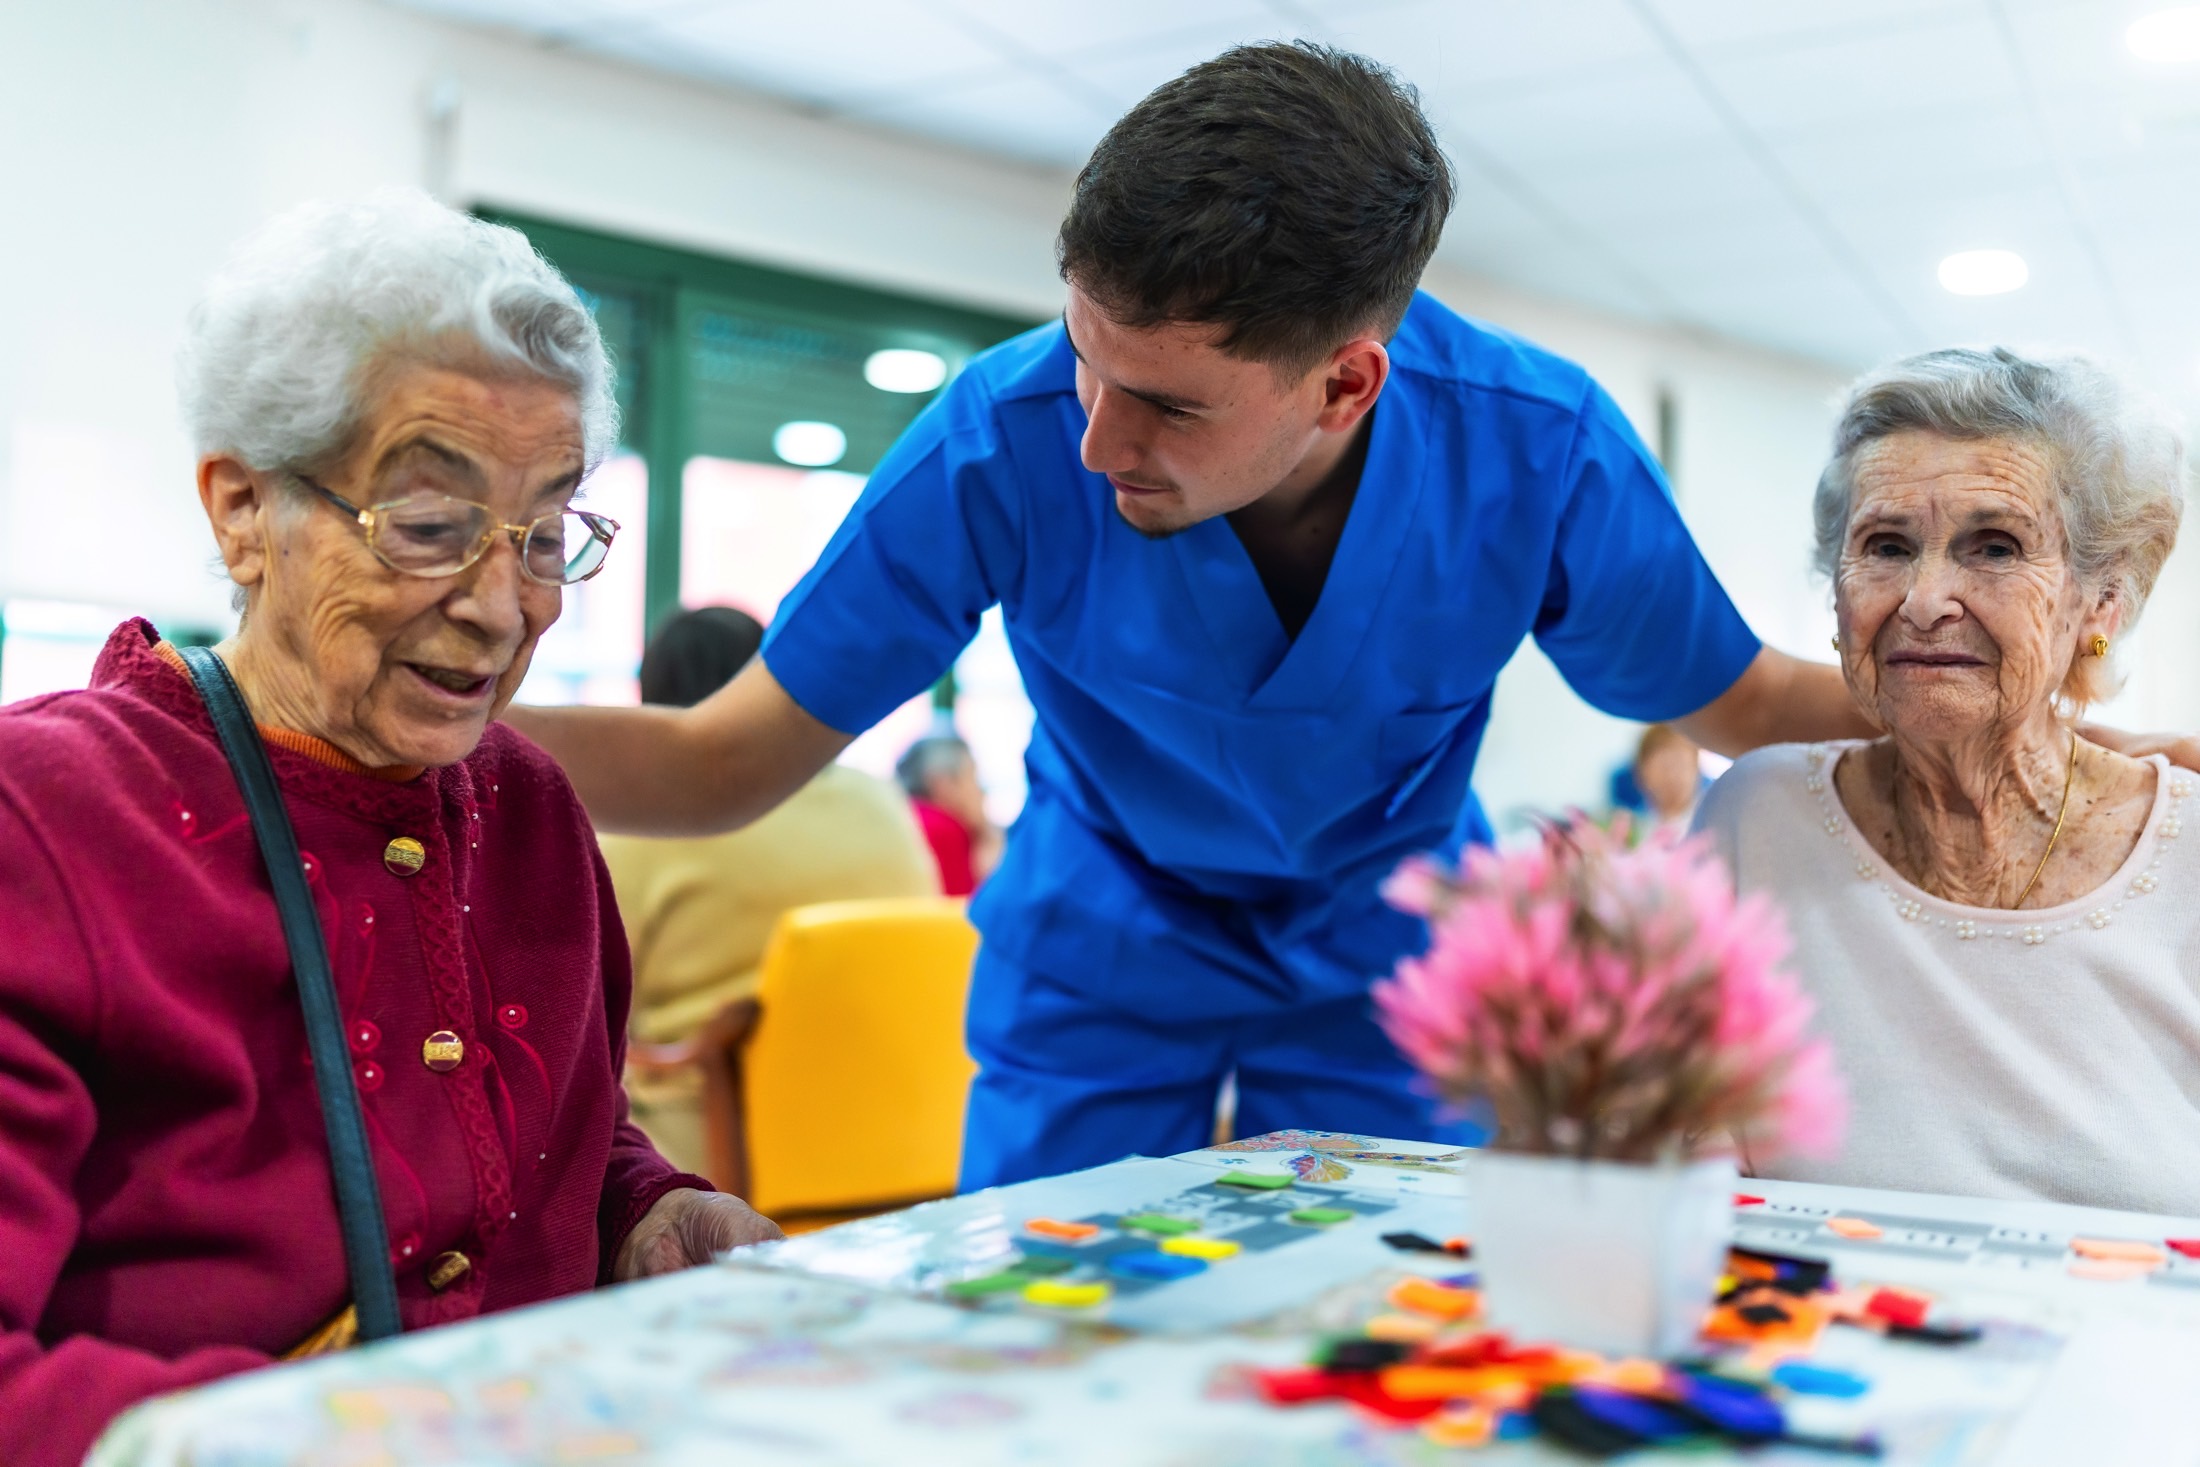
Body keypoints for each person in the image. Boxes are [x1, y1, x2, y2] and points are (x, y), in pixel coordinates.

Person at [504, 44, 2190, 1192]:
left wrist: (2079, 743)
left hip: (1388, 937)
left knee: (1392, 1323)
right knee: (1039, 1324)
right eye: (1082, 354)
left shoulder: (1533, 450)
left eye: (1164, 403)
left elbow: (1737, 698)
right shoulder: (1000, 438)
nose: (1095, 437)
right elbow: (725, 762)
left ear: (1346, 379)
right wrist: (365, 720)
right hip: (1108, 929)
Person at [0, 192, 777, 1467]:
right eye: (429, 528)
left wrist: (644, 1211)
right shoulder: (46, 820)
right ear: (242, 509)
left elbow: (536, 1129)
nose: (503, 606)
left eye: (543, 535)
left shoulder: (527, 811)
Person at [1697, 347, 2200, 1216]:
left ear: (2102, 603)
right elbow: (1677, 1167)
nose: (1925, 598)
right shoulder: (1754, 820)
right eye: (1886, 546)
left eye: (1995, 546)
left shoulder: (2188, 854)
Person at [603, 606, 939, 1173]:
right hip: (909, 1135)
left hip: (720, 1157)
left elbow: (585, 1000)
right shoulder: (881, 803)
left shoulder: (648, 826)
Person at [895, 733, 1002, 895]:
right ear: (943, 783)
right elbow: (966, 913)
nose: (981, 791)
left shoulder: (900, 816)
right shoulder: (945, 829)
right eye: (973, 777)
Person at [1630, 723, 1705, 844]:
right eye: (1664, 766)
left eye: (1680, 764)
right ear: (1642, 772)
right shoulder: (1635, 831)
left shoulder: (1709, 822)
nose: (1672, 775)